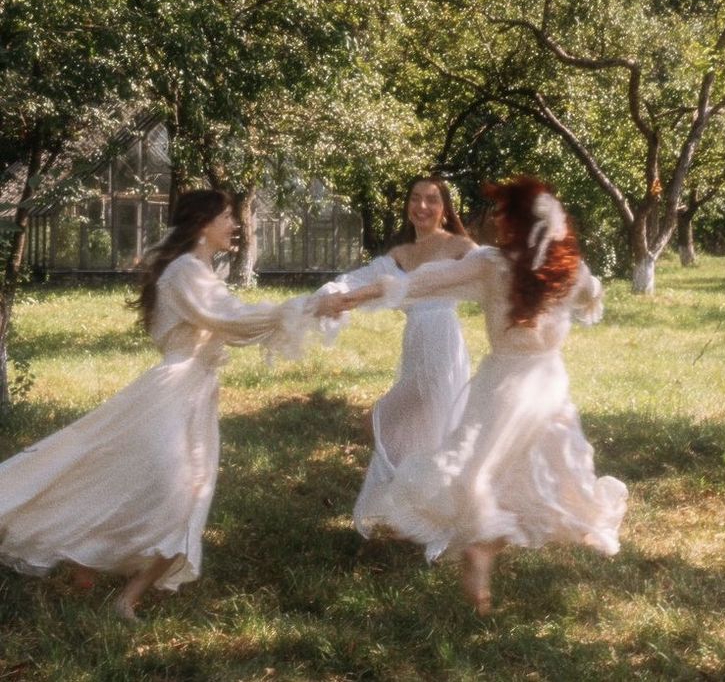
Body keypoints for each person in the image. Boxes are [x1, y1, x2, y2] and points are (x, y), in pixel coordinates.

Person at [0, 189, 346, 621]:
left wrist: (316, 306)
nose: (234, 225)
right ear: (203, 224)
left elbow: (235, 321)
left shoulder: (198, 269)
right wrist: (312, 304)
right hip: (172, 391)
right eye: (226, 217)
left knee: (185, 495)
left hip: (195, 393)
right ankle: (85, 559)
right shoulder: (186, 271)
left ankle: (118, 590)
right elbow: (231, 319)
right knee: (167, 489)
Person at [342, 176, 628, 614]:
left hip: (499, 382)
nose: (495, 222)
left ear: (517, 224)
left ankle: (482, 543)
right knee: (553, 470)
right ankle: (488, 545)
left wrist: (362, 293)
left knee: (478, 467)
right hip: (547, 385)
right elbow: (592, 297)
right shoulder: (570, 271)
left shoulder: (493, 265)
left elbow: (423, 283)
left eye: (502, 215)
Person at [319, 176, 476, 535]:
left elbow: (491, 271)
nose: (422, 207)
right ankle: (416, 512)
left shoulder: (459, 245)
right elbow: (361, 278)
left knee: (392, 422)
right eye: (415, 199)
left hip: (442, 346)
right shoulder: (401, 254)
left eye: (432, 200)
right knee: (418, 432)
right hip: (415, 346)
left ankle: (435, 513)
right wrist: (329, 295)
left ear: (445, 209)